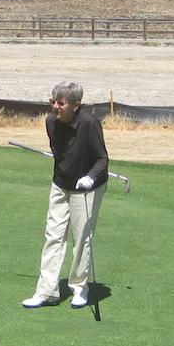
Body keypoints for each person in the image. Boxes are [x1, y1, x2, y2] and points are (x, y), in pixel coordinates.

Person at [23, 81, 109, 309]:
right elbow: (58, 152)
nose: (55, 107)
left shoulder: (90, 123)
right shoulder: (51, 122)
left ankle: (79, 289)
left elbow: (102, 159)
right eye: (53, 101)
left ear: (76, 105)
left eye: (61, 103)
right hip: (61, 184)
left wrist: (90, 177)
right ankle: (46, 291)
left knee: (81, 238)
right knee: (53, 236)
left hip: (88, 188)